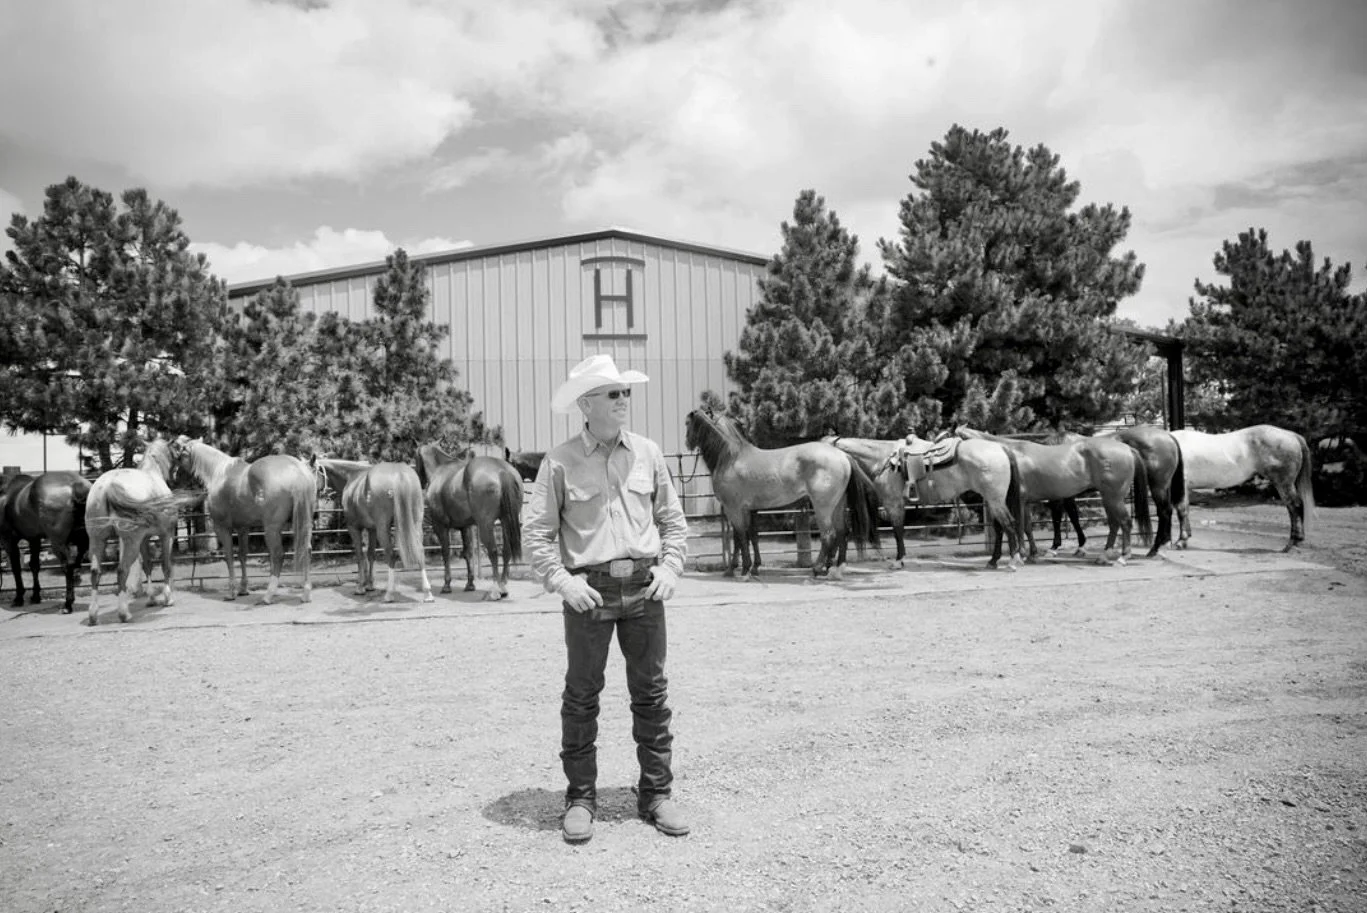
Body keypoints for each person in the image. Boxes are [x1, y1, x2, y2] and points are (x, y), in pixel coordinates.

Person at [524, 354, 690, 845]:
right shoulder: (559, 461)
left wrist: (671, 567)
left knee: (652, 693)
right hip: (588, 591)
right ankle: (580, 799)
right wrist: (563, 581)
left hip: (644, 586)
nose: (623, 400)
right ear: (586, 403)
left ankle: (656, 795)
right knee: (581, 695)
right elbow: (535, 535)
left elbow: (674, 522)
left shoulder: (648, 453)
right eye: (613, 393)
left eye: (625, 392)